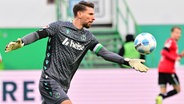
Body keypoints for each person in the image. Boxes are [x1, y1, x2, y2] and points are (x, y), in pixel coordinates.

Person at [5, 1, 149, 104]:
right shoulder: (59, 27)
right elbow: (38, 34)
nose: (93, 17)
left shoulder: (88, 37)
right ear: (79, 14)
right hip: (49, 80)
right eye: (90, 14)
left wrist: (127, 61)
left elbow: (104, 53)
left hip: (64, 85)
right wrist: (22, 42)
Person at [156, 26, 184, 104]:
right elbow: (163, 52)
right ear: (172, 33)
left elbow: (173, 56)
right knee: (178, 89)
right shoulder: (170, 41)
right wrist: (175, 58)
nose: (179, 35)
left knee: (163, 91)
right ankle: (161, 97)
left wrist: (180, 55)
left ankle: (160, 98)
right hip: (168, 70)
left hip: (161, 69)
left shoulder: (173, 43)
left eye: (180, 33)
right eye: (177, 33)